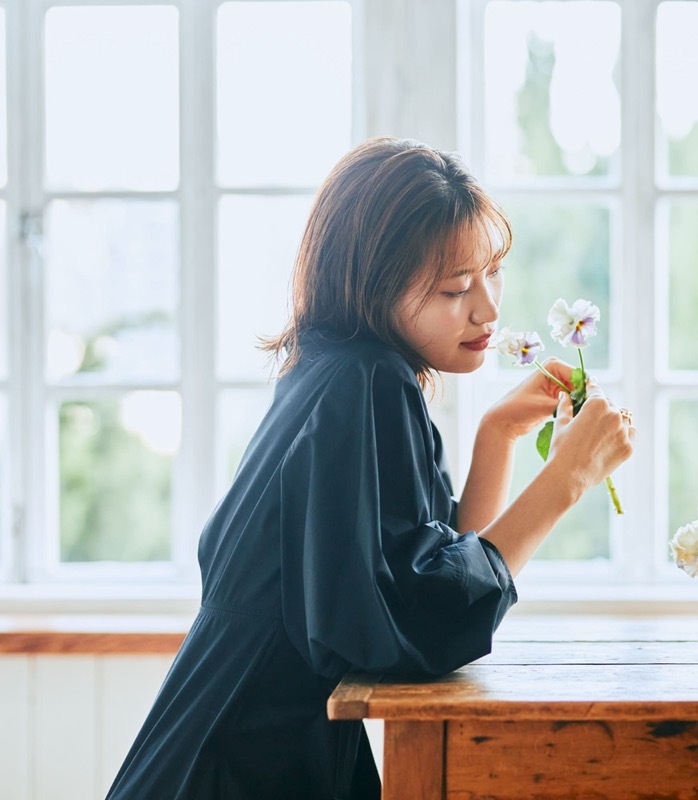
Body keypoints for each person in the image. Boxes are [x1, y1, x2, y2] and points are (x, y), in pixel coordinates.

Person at [106, 138, 636, 799]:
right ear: (373, 286)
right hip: (238, 767)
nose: (488, 310)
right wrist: (566, 481)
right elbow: (413, 624)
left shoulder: (333, 370)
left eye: (492, 272)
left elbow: (430, 574)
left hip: (221, 746)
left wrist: (496, 438)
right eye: (455, 288)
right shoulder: (367, 380)